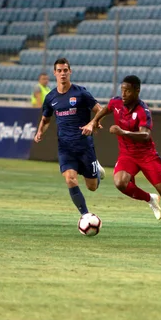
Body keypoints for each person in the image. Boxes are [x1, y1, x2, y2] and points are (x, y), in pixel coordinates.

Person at [82, 75, 161, 239]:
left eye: (127, 91)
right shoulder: (117, 102)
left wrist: (122, 132)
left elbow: (145, 135)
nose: (124, 94)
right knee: (120, 182)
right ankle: (150, 199)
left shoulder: (143, 111)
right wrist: (94, 121)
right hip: (127, 155)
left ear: (137, 91)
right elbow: (106, 108)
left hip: (147, 155)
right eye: (122, 90)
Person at [34, 58, 106, 218]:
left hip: (85, 146)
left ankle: (96, 170)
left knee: (92, 187)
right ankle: (86, 215)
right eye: (59, 71)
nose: (62, 73)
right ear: (55, 73)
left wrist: (93, 123)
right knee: (70, 179)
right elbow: (45, 119)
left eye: (65, 70)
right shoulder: (51, 97)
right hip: (65, 147)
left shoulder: (81, 93)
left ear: (70, 72)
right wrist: (40, 131)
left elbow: (100, 110)